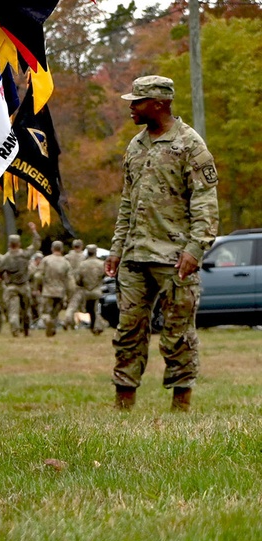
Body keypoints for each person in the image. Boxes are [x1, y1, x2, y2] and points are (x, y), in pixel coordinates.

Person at [106, 75, 218, 412]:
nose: (131, 108)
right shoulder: (135, 146)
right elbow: (128, 202)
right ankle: (123, 404)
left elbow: (205, 203)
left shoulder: (189, 144)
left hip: (174, 257)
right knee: (128, 332)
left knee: (177, 334)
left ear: (159, 104)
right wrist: (117, 248)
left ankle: (180, 406)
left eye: (137, 102)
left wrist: (195, 249)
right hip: (135, 255)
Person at [0, 232, 34, 336]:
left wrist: (3, 278)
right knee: (26, 310)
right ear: (19, 244)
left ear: (9, 244)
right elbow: (36, 245)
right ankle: (26, 330)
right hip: (24, 286)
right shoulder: (24, 255)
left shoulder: (5, 258)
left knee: (13, 311)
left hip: (11, 286)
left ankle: (15, 330)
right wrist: (34, 232)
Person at [38, 241, 74, 337]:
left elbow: (38, 276)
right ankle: (51, 331)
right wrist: (69, 294)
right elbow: (70, 281)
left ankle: (47, 321)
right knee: (55, 313)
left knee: (45, 312)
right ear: (62, 249)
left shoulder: (46, 260)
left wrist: (38, 287)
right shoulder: (66, 262)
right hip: (60, 292)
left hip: (48, 291)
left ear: (52, 249)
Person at [74, 244, 106, 334]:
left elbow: (78, 280)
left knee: (90, 310)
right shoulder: (101, 264)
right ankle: (98, 326)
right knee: (96, 310)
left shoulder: (82, 264)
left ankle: (93, 326)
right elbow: (104, 275)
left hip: (86, 292)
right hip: (98, 290)